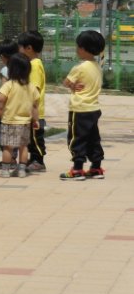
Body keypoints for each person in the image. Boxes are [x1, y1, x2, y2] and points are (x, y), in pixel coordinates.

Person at [60, 30, 106, 181]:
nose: (76, 49)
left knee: (76, 139)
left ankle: (77, 169)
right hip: (93, 108)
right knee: (93, 138)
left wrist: (72, 86)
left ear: (83, 48)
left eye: (77, 47)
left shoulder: (79, 67)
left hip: (79, 109)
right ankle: (96, 167)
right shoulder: (97, 66)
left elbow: (66, 82)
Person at [0, 53, 40, 179]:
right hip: (25, 122)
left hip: (9, 121)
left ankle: (5, 171)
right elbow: (35, 106)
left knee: (8, 147)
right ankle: (21, 170)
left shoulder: (9, 85)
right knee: (23, 146)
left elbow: (1, 98)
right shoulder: (31, 87)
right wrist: (36, 120)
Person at [18, 31, 47, 172]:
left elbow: (33, 89)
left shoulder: (34, 65)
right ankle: (34, 158)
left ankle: (38, 160)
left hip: (35, 111)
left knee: (36, 138)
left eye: (20, 47)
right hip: (30, 110)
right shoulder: (33, 63)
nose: (19, 50)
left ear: (29, 48)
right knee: (31, 138)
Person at [0, 38, 18, 169]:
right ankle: (13, 159)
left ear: (3, 56)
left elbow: (3, 92)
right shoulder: (21, 69)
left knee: (0, 136)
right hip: (16, 110)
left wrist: (0, 109)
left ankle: (8, 161)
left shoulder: (5, 70)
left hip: (5, 111)